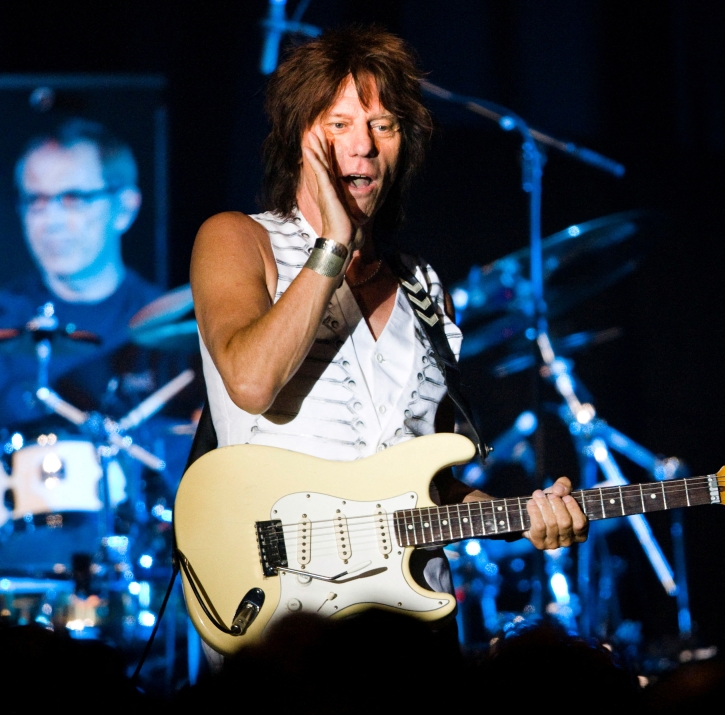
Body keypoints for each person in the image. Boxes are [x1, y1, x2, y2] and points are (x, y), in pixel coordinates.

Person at [190, 25, 589, 633]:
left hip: (411, 615)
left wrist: (526, 516)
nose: (365, 147)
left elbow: (429, 486)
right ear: (300, 141)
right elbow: (249, 381)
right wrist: (331, 248)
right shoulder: (239, 239)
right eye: (340, 124)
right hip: (283, 612)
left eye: (384, 126)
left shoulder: (424, 287)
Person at [0, 119, 162, 424]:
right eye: (36, 200)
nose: (52, 220)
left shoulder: (168, 326)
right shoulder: (4, 317)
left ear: (124, 209)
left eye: (74, 198)